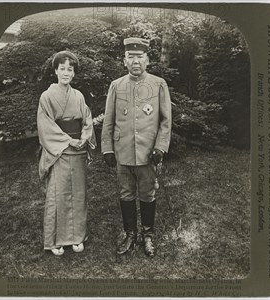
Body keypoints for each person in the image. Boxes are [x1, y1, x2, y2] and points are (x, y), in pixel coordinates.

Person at [101, 38, 172, 257]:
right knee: (125, 193)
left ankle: (148, 235)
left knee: (148, 194)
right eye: (130, 57)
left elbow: (165, 121)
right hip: (123, 152)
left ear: (147, 59)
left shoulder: (158, 84)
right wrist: (107, 149)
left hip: (148, 153)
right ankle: (130, 234)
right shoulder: (116, 85)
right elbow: (109, 121)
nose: (135, 61)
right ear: (124, 61)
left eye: (139, 57)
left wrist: (160, 147)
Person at [37, 51, 96, 256]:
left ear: (73, 73)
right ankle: (55, 241)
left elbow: (87, 121)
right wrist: (68, 140)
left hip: (78, 150)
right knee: (58, 195)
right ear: (55, 71)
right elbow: (46, 126)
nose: (66, 73)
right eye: (62, 68)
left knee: (78, 195)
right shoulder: (47, 96)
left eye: (69, 69)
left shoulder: (78, 96)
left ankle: (77, 237)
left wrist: (84, 139)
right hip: (59, 151)